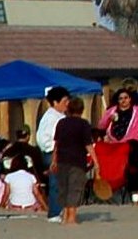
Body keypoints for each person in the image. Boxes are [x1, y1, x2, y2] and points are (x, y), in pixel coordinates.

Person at [52, 96, 94, 226]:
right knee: (74, 188)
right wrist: (96, 162)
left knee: (63, 187)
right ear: (81, 110)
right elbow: (88, 145)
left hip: (62, 159)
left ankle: (65, 216)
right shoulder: (84, 124)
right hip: (77, 160)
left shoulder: (61, 123)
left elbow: (56, 145)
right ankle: (71, 218)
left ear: (69, 109)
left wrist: (54, 161)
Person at [36, 86, 69, 221]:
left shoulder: (60, 116)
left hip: (60, 152)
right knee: (56, 182)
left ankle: (60, 210)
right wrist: (54, 149)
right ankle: (55, 213)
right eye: (65, 101)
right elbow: (42, 139)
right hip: (52, 153)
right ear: (55, 102)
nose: (67, 104)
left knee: (62, 183)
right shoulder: (51, 117)